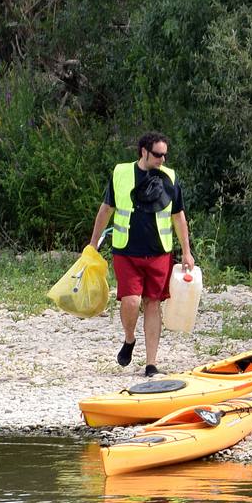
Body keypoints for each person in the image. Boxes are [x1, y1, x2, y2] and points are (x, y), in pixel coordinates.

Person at [89, 132, 194, 377]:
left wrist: (187, 252)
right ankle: (129, 338)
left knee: (152, 304)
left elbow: (178, 216)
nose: (162, 159)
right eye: (158, 154)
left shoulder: (170, 177)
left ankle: (151, 363)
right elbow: (106, 209)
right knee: (131, 300)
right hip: (127, 251)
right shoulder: (121, 173)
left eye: (165, 154)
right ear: (143, 151)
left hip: (159, 253)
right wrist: (93, 244)